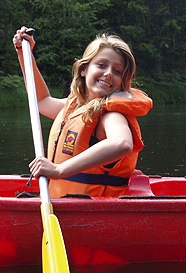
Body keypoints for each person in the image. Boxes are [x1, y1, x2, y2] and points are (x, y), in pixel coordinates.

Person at [13, 27, 153, 198]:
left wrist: (58, 169)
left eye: (117, 71)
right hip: (64, 201)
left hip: (93, 209)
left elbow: (122, 143)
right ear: (84, 69)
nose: (108, 73)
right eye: (101, 65)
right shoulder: (76, 107)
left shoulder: (111, 114)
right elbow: (41, 101)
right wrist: (24, 54)